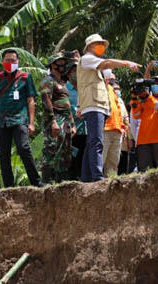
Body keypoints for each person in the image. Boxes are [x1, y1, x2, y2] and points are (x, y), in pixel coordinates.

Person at [77, 33, 141, 182]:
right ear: (90, 46)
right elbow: (107, 63)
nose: (101, 46)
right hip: (93, 105)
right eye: (98, 43)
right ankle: (96, 176)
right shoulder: (86, 59)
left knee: (92, 142)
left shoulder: (94, 65)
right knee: (96, 141)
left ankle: (87, 177)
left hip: (99, 105)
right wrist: (126, 63)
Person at [0, 48, 42, 187]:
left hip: (20, 119)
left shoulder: (25, 77)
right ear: (2, 61)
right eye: (8, 60)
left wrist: (31, 123)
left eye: (13, 60)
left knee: (24, 148)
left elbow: (30, 100)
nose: (10, 62)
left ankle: (37, 183)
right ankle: (9, 188)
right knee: (3, 155)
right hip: (1, 122)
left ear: (18, 61)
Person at [40, 52, 77, 183]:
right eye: (60, 62)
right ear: (52, 65)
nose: (63, 65)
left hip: (65, 119)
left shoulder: (62, 82)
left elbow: (67, 105)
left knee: (64, 152)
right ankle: (46, 182)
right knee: (51, 149)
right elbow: (46, 101)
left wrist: (72, 124)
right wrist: (53, 121)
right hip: (55, 118)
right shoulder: (48, 81)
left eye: (63, 62)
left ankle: (61, 182)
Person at [132, 76, 158, 171]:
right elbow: (136, 115)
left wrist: (148, 97)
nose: (155, 85)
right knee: (144, 174)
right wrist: (134, 99)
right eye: (153, 84)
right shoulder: (144, 100)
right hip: (143, 141)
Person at [65, 60, 87, 180]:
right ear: (68, 74)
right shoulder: (64, 89)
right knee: (71, 160)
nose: (77, 73)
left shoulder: (84, 88)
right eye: (74, 71)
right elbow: (64, 108)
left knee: (83, 159)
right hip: (71, 130)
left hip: (85, 129)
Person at [102, 71, 126, 176]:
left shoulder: (112, 90)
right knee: (100, 161)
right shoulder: (99, 87)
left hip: (117, 130)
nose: (112, 78)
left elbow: (118, 109)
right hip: (104, 129)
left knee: (113, 164)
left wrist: (122, 127)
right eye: (109, 76)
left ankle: (110, 186)